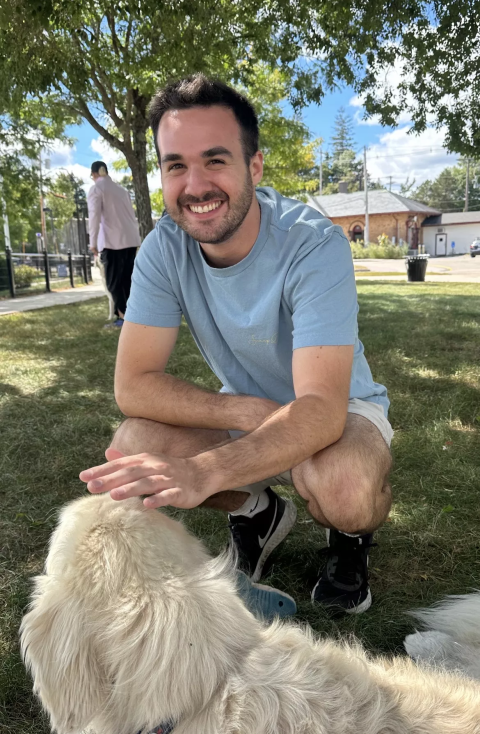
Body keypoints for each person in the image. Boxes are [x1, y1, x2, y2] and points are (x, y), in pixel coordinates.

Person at [80, 75, 393, 616]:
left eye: (215, 160)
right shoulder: (163, 250)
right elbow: (134, 386)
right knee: (135, 444)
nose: (195, 185)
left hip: (341, 410)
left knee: (344, 486)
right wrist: (242, 409)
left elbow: (319, 410)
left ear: (254, 166)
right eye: (176, 165)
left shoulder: (314, 243)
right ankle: (257, 511)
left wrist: (204, 472)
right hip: (246, 411)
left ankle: (349, 539)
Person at [87, 161, 141, 328]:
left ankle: (124, 318)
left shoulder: (96, 189)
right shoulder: (122, 190)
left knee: (113, 283)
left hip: (112, 243)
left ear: (94, 174)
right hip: (130, 240)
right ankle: (133, 316)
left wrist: (93, 242)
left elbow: (94, 216)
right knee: (127, 281)